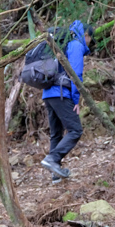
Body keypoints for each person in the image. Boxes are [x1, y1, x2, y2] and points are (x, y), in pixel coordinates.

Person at [40, 20, 94, 181]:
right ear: (86, 35)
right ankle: (52, 159)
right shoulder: (76, 44)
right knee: (75, 130)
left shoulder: (63, 42)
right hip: (62, 93)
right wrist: (76, 100)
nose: (90, 42)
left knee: (56, 134)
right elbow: (75, 74)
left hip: (48, 93)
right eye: (91, 38)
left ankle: (55, 174)